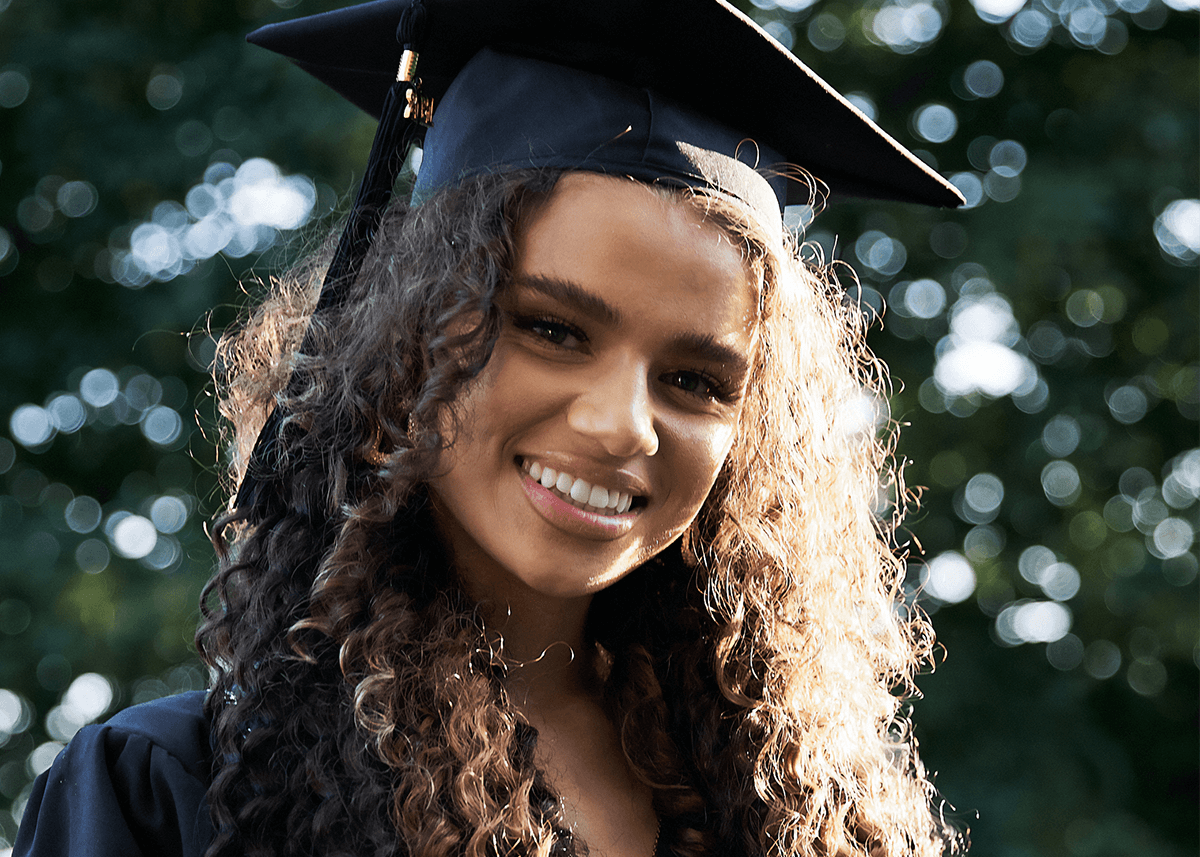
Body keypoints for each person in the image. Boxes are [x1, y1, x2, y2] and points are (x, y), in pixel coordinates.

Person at [16, 1, 966, 855]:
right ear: (407, 339)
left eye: (695, 379)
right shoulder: (184, 794)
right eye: (551, 329)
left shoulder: (798, 809)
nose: (619, 424)